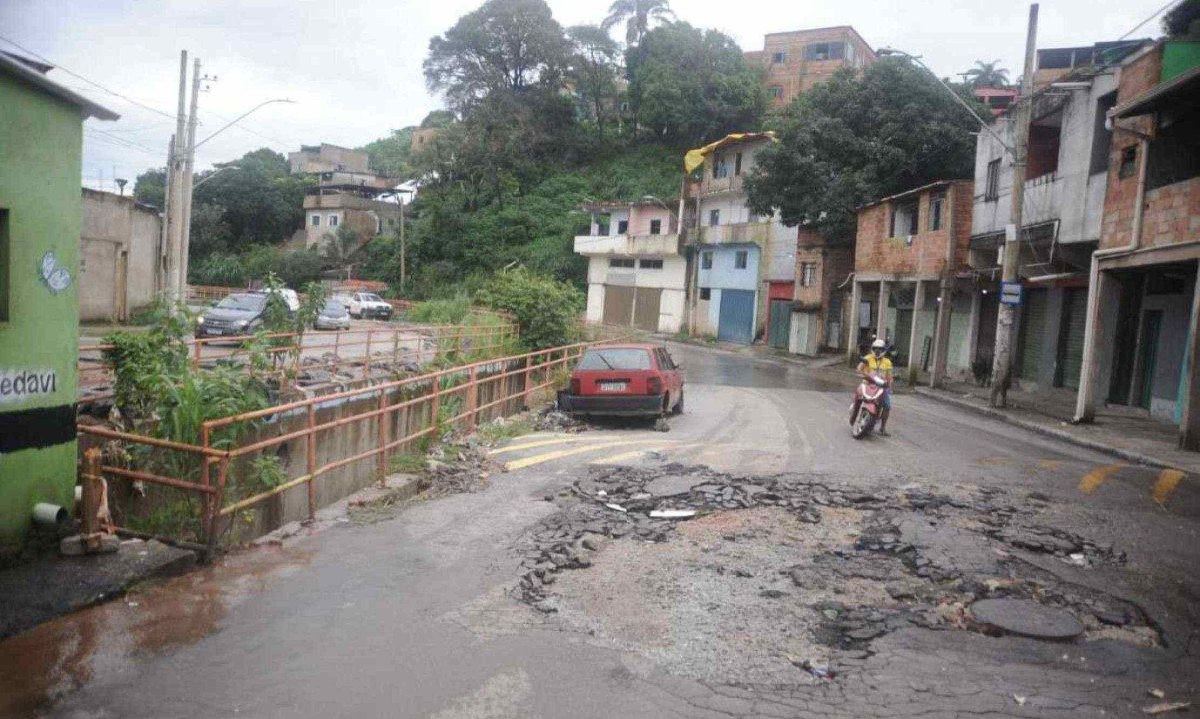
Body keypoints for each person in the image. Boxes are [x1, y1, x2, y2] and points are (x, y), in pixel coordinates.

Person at [856, 338, 894, 436]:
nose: (878, 351)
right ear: (873, 348)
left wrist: (889, 387)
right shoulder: (867, 358)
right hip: (868, 384)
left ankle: (882, 428)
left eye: (880, 349)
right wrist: (864, 374)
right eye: (876, 348)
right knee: (859, 396)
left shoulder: (887, 362)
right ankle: (855, 413)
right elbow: (859, 369)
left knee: (887, 406)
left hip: (881, 387)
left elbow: (889, 377)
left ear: (883, 350)